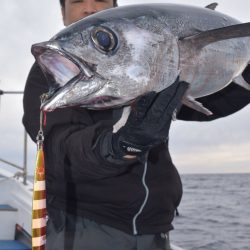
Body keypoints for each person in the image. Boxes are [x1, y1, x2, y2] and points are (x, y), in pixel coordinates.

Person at [23, 1, 250, 249]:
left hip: (155, 227)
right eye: (77, 1)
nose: (89, 7)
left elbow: (210, 104)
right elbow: (58, 147)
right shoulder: (53, 74)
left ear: (115, 7)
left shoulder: (150, 67)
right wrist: (119, 145)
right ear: (63, 14)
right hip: (83, 225)